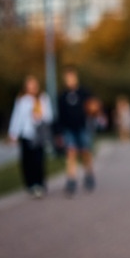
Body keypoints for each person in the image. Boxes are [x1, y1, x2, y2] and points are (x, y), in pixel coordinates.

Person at [8, 75, 53, 198]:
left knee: (38, 160)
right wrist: (13, 133)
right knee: (26, 161)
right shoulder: (22, 100)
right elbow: (16, 117)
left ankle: (40, 184)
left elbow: (49, 116)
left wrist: (40, 117)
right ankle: (30, 185)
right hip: (26, 134)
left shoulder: (43, 98)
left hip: (38, 135)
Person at [57, 66, 96, 197]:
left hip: (83, 127)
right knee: (71, 153)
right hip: (69, 129)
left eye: (72, 77)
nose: (70, 80)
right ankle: (71, 180)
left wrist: (94, 110)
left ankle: (89, 174)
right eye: (67, 78)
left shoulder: (84, 92)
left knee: (85, 152)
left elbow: (93, 106)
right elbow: (60, 115)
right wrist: (59, 132)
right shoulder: (62, 96)